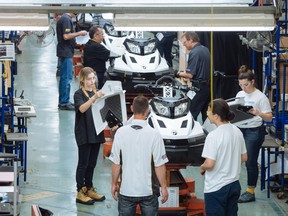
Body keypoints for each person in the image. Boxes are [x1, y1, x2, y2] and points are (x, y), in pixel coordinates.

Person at [109, 95, 169, 216]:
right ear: (148, 110)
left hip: (126, 191)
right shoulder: (154, 135)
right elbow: (159, 165)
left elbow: (116, 164)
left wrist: (114, 184)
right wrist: (164, 187)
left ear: (132, 108)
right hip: (148, 192)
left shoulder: (120, 133)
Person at [200, 98, 247, 216]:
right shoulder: (237, 131)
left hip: (216, 187)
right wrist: (230, 163)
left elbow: (210, 164)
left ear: (215, 116)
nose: (207, 114)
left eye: (208, 111)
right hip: (234, 184)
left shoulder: (213, 136)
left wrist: (202, 167)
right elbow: (244, 157)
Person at [236, 65, 272, 203]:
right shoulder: (240, 95)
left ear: (252, 81)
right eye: (241, 85)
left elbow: (268, 117)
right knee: (236, 159)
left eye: (245, 85)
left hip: (254, 131)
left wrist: (259, 113)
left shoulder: (260, 97)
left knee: (250, 161)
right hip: (240, 130)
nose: (243, 88)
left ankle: (250, 191)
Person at [74, 67, 106, 205]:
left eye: (93, 78)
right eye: (89, 79)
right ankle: (80, 190)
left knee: (92, 163)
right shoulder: (78, 94)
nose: (92, 81)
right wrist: (94, 97)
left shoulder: (97, 93)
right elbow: (81, 108)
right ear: (82, 80)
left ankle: (89, 187)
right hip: (84, 132)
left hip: (96, 131)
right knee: (83, 163)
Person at [177, 31, 211, 122]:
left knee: (190, 113)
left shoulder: (194, 52)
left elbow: (190, 74)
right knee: (206, 114)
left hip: (198, 88)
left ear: (190, 40)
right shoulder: (205, 49)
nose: (184, 45)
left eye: (185, 43)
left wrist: (177, 74)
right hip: (207, 87)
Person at [56, 13, 88, 110]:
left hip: (66, 52)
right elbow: (66, 36)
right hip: (66, 53)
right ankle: (64, 102)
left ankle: (64, 101)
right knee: (66, 78)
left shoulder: (65, 18)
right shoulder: (66, 19)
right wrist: (80, 33)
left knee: (66, 78)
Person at [83, 25, 110, 89]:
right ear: (95, 36)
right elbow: (108, 54)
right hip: (97, 75)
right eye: (102, 35)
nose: (103, 37)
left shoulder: (88, 44)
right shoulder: (97, 46)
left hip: (89, 73)